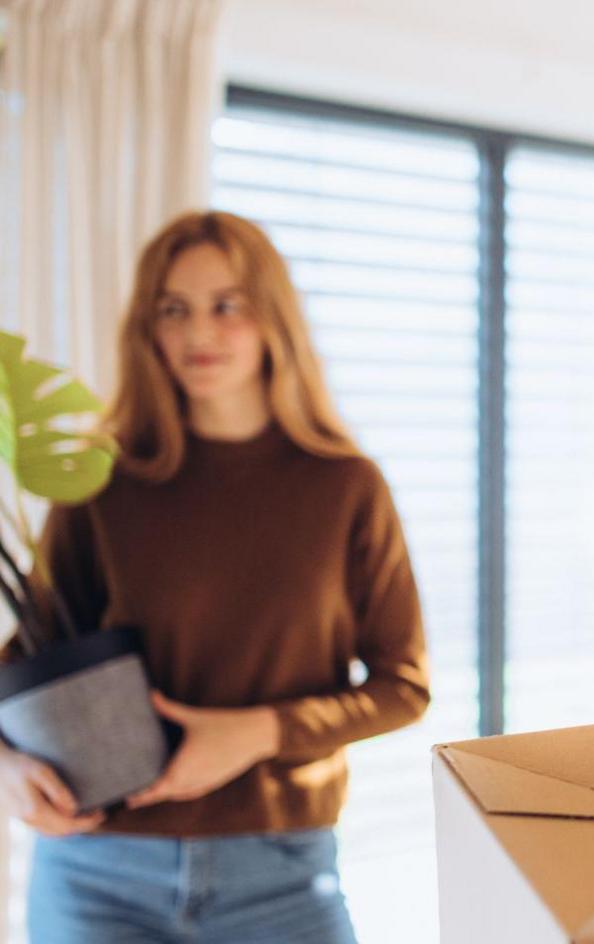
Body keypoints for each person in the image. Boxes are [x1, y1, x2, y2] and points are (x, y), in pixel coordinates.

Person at [0, 211, 430, 944]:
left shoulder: (346, 488)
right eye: (175, 309)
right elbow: (23, 664)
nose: (200, 334)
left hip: (283, 875)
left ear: (273, 318)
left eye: (227, 305)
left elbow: (404, 687)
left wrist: (258, 732)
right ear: (149, 328)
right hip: (98, 874)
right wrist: (6, 767)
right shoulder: (103, 482)